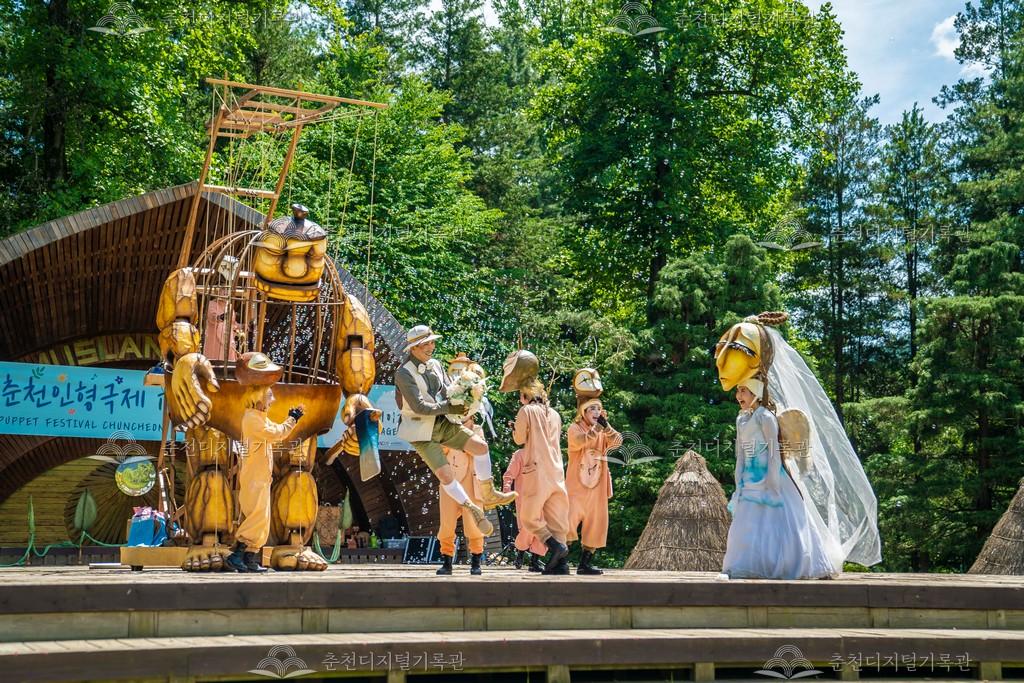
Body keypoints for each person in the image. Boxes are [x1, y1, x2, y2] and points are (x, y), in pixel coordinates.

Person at [395, 326, 515, 538]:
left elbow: (446, 393)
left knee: (481, 447)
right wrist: (450, 407)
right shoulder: (403, 373)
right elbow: (419, 407)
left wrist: (466, 400)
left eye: (432, 342)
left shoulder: (435, 364)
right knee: (445, 475)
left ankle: (488, 493)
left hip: (443, 422)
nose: (431, 347)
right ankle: (472, 509)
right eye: (426, 344)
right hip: (420, 432)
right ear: (413, 348)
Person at [721, 378, 842, 579]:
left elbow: (773, 453)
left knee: (781, 522)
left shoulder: (765, 417)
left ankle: (788, 564)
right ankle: (747, 565)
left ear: (755, 393)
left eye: (743, 390)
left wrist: (773, 484)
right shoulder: (741, 419)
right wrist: (739, 480)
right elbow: (741, 453)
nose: (738, 395)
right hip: (750, 478)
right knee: (746, 525)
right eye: (738, 391)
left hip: (770, 477)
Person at [226, 352, 304, 573]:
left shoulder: (258, 417)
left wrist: (290, 419)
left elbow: (275, 430)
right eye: (270, 396)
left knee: (261, 518)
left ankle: (250, 558)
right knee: (257, 517)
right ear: (259, 397)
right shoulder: (252, 419)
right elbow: (277, 433)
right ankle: (237, 555)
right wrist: (293, 419)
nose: (272, 400)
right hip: (255, 477)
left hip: (260, 477)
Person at [512, 378, 572, 575]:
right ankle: (561, 564)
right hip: (556, 471)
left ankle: (555, 546)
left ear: (525, 396)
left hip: (537, 471)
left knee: (528, 517)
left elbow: (519, 439)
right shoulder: (555, 414)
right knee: (557, 519)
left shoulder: (526, 410)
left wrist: (515, 428)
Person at [566, 391, 620, 576]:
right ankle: (560, 561)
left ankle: (585, 564)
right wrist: (597, 429)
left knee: (596, 525)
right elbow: (579, 442)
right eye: (592, 409)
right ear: (583, 412)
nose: (596, 412)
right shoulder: (574, 428)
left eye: (599, 408)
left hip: (597, 487)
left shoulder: (603, 430)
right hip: (576, 487)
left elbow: (618, 442)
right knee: (567, 523)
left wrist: (607, 427)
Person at [436, 414, 488, 576]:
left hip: (471, 482)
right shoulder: (447, 429)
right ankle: (447, 562)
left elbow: (478, 450)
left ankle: (476, 562)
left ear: (472, 415)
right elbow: (440, 451)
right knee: (447, 523)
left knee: (474, 522)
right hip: (450, 481)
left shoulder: (477, 430)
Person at [502, 448, 548, 572]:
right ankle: (521, 552)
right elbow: (509, 474)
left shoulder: (546, 453)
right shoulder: (520, 454)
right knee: (527, 528)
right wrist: (507, 490)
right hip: (524, 498)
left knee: (542, 528)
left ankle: (534, 561)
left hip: (543, 498)